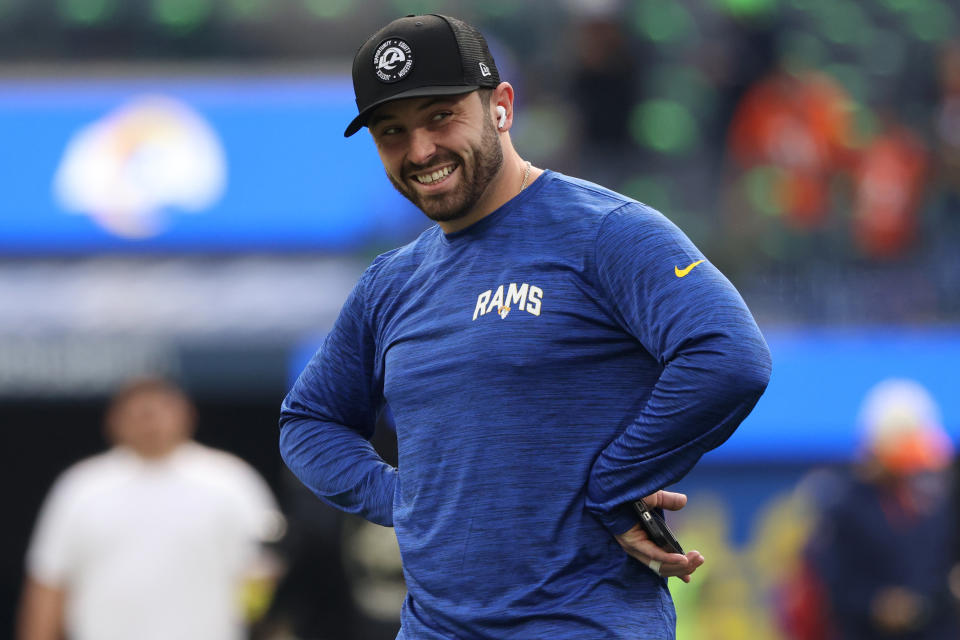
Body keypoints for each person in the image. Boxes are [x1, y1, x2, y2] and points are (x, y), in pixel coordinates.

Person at [280, 14, 771, 639]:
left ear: (501, 106)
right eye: (391, 132)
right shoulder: (391, 283)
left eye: (440, 116)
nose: (420, 150)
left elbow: (728, 356)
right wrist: (401, 496)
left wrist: (616, 482)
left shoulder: (605, 231)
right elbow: (308, 421)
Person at [18, 378, 284, 640]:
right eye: (136, 412)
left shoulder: (231, 481)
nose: (148, 420)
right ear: (113, 420)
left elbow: (267, 575)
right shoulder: (80, 487)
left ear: (186, 413)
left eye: (158, 409)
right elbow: (48, 583)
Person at [803, 378, 958, 640]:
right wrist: (876, 605)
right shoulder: (844, 505)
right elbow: (832, 582)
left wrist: (930, 599)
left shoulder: (936, 502)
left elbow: (942, 571)